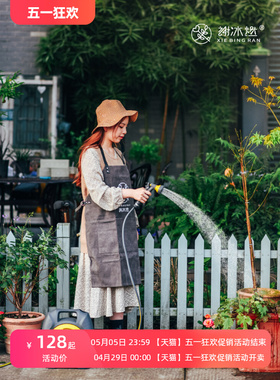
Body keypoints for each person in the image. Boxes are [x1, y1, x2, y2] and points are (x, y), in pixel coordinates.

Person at [73, 99, 151, 329]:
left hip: (121, 231)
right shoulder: (91, 155)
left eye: (126, 126)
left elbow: (125, 197)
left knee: (118, 296)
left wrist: (134, 226)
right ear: (106, 125)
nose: (124, 131)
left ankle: (115, 347)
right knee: (101, 287)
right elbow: (97, 192)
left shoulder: (118, 155)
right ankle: (96, 345)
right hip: (99, 233)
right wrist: (131, 192)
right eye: (121, 126)